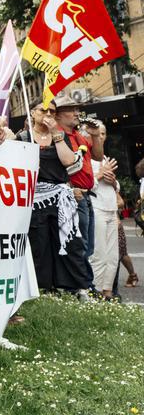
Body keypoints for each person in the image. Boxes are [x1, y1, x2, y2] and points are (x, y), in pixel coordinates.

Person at [18, 100, 88, 292]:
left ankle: (72, 288)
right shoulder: (23, 137)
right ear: (33, 113)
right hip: (35, 201)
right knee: (40, 245)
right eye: (43, 110)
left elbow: (68, 161)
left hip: (60, 199)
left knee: (69, 244)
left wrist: (56, 135)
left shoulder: (60, 136)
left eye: (52, 111)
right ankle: (43, 289)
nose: (48, 114)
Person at [53, 92, 104, 293]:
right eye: (71, 110)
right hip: (73, 196)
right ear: (57, 115)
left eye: (77, 109)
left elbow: (98, 156)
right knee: (78, 245)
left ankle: (85, 286)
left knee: (87, 246)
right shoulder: (57, 135)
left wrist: (95, 135)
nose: (77, 113)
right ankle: (83, 287)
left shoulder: (78, 135)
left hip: (86, 196)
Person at [88, 124, 120, 298]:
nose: (100, 137)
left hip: (111, 209)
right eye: (97, 134)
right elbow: (83, 184)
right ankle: (96, 291)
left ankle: (108, 291)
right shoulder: (85, 157)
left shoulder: (105, 158)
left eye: (103, 134)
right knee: (99, 254)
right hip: (96, 208)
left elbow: (117, 186)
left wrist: (113, 181)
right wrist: (100, 174)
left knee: (113, 256)